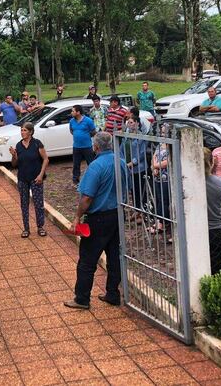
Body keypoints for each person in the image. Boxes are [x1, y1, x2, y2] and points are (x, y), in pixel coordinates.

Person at [64, 132, 126, 310]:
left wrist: (77, 217)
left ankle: (82, 299)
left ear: (96, 147)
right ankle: (113, 294)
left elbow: (87, 198)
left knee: (87, 260)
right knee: (115, 257)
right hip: (117, 215)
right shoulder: (120, 162)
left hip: (98, 218)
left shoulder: (96, 166)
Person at [9, 122, 49, 238]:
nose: (22, 132)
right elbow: (14, 164)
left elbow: (46, 159)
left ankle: (40, 227)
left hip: (36, 178)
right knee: (24, 204)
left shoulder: (37, 144)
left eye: (25, 130)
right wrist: (14, 155)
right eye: (21, 130)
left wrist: (41, 175)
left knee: (38, 203)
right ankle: (26, 228)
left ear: (30, 132)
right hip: (22, 179)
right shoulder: (19, 145)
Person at [204, 148, 221, 274]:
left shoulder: (184, 183)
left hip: (194, 229)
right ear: (212, 162)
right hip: (216, 228)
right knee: (216, 267)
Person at [150, 123, 172, 240]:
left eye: (165, 132)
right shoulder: (160, 145)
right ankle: (158, 220)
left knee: (164, 200)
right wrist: (154, 168)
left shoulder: (171, 145)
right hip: (157, 177)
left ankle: (162, 223)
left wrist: (156, 166)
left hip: (166, 178)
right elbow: (154, 156)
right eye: (162, 132)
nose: (163, 134)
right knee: (158, 199)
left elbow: (168, 161)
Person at [123, 116, 148, 211]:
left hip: (139, 168)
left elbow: (142, 153)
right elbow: (122, 149)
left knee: (141, 191)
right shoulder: (126, 136)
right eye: (128, 122)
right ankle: (136, 210)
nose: (129, 124)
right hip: (129, 169)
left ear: (137, 123)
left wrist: (132, 162)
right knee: (133, 191)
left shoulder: (141, 137)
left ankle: (142, 211)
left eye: (131, 122)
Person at [69, 105, 96, 187]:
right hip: (76, 146)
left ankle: (94, 179)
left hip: (87, 146)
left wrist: (86, 136)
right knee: (76, 164)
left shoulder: (88, 121)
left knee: (91, 163)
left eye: (73, 111)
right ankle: (76, 181)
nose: (71, 113)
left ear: (78, 112)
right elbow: (71, 130)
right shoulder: (72, 121)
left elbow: (93, 131)